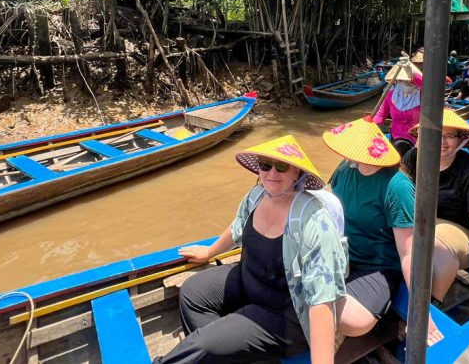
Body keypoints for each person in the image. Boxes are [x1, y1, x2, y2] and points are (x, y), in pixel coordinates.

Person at [157, 135, 348, 363]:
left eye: (281, 166)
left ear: (297, 172)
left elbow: (322, 300)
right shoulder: (257, 196)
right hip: (250, 282)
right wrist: (209, 252)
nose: (271, 174)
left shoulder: (314, 221)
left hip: (285, 313)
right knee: (192, 292)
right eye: (265, 165)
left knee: (203, 345)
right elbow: (237, 226)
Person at [321, 117, 444, 347]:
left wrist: (422, 315)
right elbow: (328, 203)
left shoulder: (397, 187)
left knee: (352, 320)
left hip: (377, 267)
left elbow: (409, 255)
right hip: (341, 256)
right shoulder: (345, 168)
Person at [402, 109, 469, 308]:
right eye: (435, 135)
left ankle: (432, 303)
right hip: (425, 223)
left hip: (462, 233)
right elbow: (398, 193)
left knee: (433, 244)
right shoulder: (413, 158)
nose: (441, 142)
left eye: (448, 136)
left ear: (461, 140)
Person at [373, 55, 422, 157]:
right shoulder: (390, 95)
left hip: (420, 137)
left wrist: (412, 73)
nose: (408, 83)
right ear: (397, 81)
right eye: (403, 80)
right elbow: (380, 116)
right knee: (400, 148)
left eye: (410, 81)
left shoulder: (422, 94)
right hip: (399, 137)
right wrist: (369, 123)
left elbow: (429, 86)